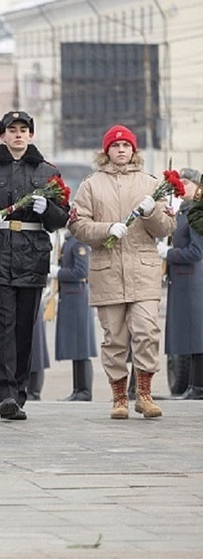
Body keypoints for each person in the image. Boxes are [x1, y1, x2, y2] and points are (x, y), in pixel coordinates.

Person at [0, 110, 69, 420]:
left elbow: (63, 217)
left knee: (25, 327)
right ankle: (5, 394)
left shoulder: (48, 172)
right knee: (4, 326)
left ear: (31, 135)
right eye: (12, 130)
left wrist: (47, 208)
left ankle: (19, 391)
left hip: (32, 256)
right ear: (3, 135)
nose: (18, 135)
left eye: (24, 129)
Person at [68, 124, 175, 419]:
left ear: (134, 150)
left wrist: (153, 210)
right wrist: (105, 230)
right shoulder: (91, 185)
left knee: (146, 331)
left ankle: (143, 394)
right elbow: (77, 225)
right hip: (108, 270)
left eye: (126, 146)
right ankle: (118, 398)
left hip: (143, 270)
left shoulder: (151, 184)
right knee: (114, 338)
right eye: (115, 146)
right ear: (107, 152)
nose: (121, 151)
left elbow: (166, 228)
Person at [159, 167, 203, 400]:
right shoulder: (185, 211)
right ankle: (192, 387)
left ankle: (198, 388)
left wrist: (169, 253)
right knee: (191, 335)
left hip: (194, 282)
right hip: (184, 282)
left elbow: (196, 252)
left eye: (186, 182)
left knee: (198, 335)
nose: (181, 185)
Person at [53, 231, 97, 401]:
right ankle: (78, 389)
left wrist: (59, 273)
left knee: (82, 347)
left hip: (77, 298)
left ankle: (84, 390)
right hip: (71, 299)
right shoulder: (69, 241)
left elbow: (81, 271)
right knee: (76, 347)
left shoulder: (79, 242)